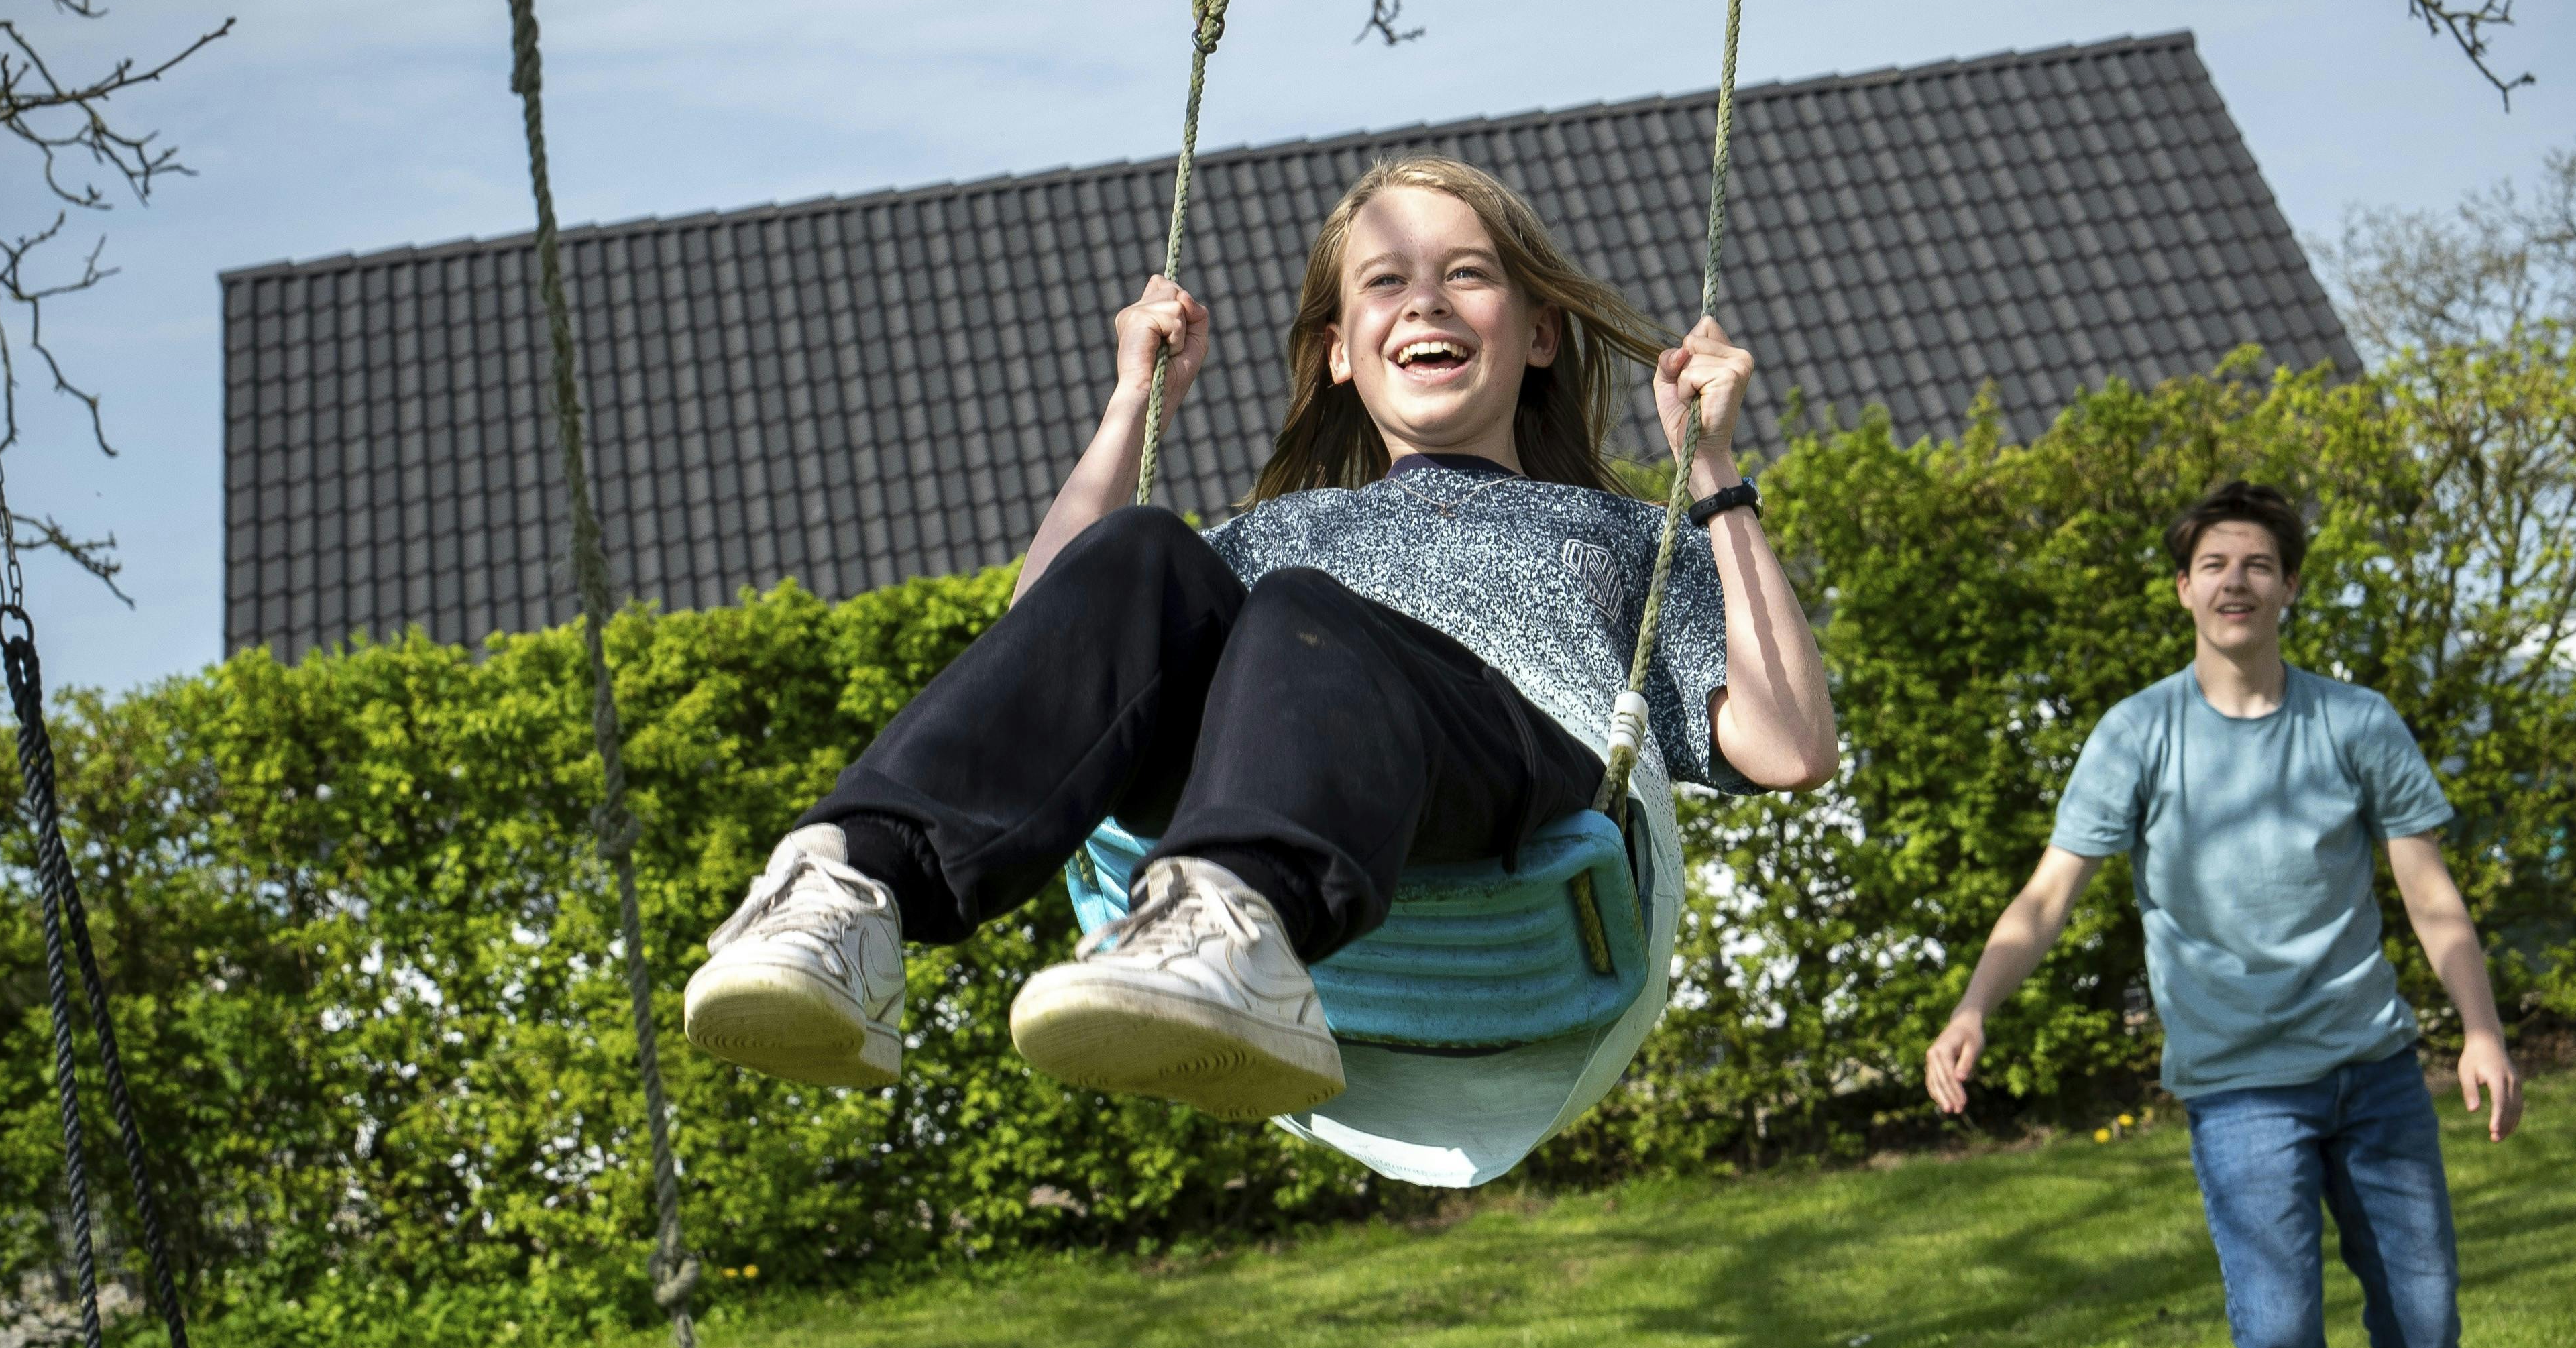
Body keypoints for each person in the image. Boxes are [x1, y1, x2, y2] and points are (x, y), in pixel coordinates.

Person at [684, 154, 1839, 1121]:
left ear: (1538, 334)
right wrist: (1135, 406)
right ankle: (849, 894)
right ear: (1339, 350)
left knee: (1302, 609)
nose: (1425, 303)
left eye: (1467, 277)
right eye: (1386, 283)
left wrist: (1715, 472)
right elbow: (1050, 641)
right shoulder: (1274, 536)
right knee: (1144, 550)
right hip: (1281, 770)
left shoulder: (1620, 533)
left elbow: (1786, 748)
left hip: (1507, 780)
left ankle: (1233, 921)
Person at [1921, 480, 2520, 1348]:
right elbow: (2048, 894)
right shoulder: (2138, 736)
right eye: (2213, 563)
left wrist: (2477, 1027)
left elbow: (2430, 896)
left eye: (2258, 563)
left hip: (2372, 1077)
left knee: (2423, 1328)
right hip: (2242, 1095)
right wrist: (1975, 1006)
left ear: (2289, 588)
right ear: (2183, 589)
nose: (2236, 580)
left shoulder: (2354, 725)